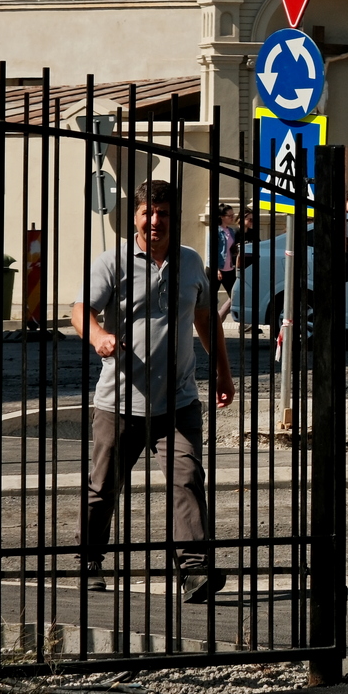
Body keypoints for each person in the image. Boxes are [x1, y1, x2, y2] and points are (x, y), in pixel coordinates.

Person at [70, 180, 234, 603]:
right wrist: (98, 336)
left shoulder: (191, 262)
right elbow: (79, 310)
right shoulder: (114, 261)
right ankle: (89, 560)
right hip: (119, 401)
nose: (155, 220)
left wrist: (222, 372)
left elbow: (205, 319)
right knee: (103, 488)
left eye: (162, 213)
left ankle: (195, 569)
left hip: (178, 400)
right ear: (137, 217)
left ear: (173, 216)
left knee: (188, 478)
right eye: (148, 213)